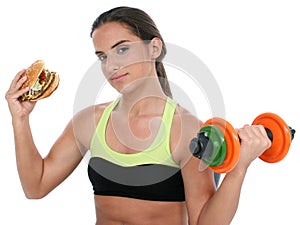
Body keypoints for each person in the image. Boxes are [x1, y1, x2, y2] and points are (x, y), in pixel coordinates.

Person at [5, 6, 271, 225]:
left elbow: (204, 222)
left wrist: (238, 169)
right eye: (102, 57)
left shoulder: (186, 129)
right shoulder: (90, 122)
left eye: (122, 49)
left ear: (154, 48)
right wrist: (20, 119)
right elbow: (35, 186)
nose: (112, 65)